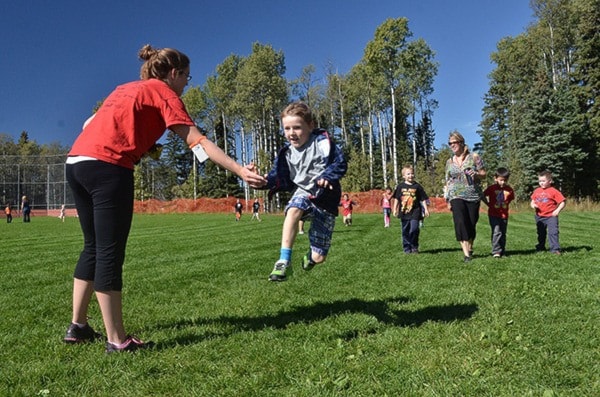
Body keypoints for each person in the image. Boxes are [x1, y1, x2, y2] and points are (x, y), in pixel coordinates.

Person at [63, 44, 265, 353]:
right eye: (187, 77)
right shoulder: (164, 93)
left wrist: (138, 138)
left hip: (77, 162)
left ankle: (77, 326)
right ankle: (117, 340)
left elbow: (89, 125)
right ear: (174, 73)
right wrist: (239, 169)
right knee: (109, 252)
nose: (187, 83)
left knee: (92, 246)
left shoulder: (126, 88)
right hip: (108, 167)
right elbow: (196, 140)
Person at [258, 102, 347, 282]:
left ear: (310, 125)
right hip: (303, 193)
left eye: (297, 127)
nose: (292, 133)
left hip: (325, 201)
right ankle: (284, 260)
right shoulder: (286, 154)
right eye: (287, 128)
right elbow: (277, 177)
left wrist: (327, 177)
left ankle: (311, 258)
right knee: (293, 210)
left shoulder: (323, 143)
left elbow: (340, 163)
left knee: (319, 257)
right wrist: (260, 181)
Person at [444, 131, 486, 262]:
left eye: (454, 143)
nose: (452, 145)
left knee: (471, 223)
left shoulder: (474, 157)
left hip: (473, 195)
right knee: (460, 222)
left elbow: (484, 173)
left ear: (461, 142)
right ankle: (466, 254)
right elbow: (448, 180)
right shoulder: (449, 161)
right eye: (450, 143)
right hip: (456, 195)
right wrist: (448, 198)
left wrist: (477, 175)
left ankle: (470, 246)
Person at [392, 165, 430, 253]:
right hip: (404, 212)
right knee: (405, 231)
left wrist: (426, 209)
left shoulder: (417, 186)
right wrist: (395, 209)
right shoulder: (400, 186)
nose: (411, 175)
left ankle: (414, 246)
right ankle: (407, 248)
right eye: (408, 174)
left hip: (415, 212)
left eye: (412, 173)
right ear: (404, 176)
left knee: (414, 229)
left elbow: (423, 199)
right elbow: (397, 199)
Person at [530, 170, 566, 255]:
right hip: (539, 216)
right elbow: (532, 201)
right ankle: (540, 247)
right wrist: (533, 205)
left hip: (551, 216)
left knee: (553, 232)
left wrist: (557, 210)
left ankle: (555, 249)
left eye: (543, 181)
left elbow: (563, 202)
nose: (541, 183)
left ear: (550, 181)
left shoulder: (553, 191)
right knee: (541, 233)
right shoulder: (537, 191)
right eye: (540, 181)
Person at [482, 167, 515, 258]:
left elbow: (510, 199)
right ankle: (496, 251)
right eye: (501, 180)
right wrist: (487, 203)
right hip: (493, 214)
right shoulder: (492, 188)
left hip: (504, 215)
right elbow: (482, 195)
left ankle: (502, 250)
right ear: (495, 178)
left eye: (505, 180)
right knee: (497, 232)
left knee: (503, 232)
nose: (503, 182)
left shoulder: (509, 189)